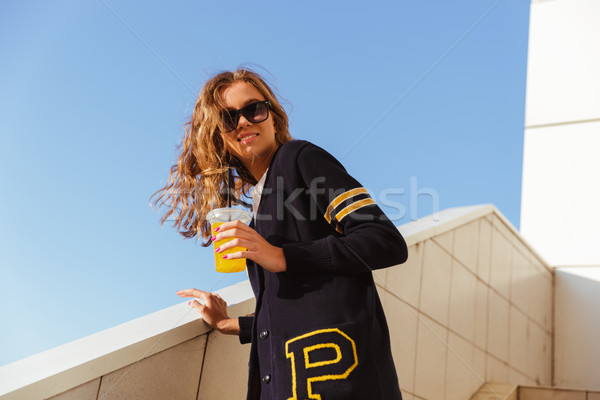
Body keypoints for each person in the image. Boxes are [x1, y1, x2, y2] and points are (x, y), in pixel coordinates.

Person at [153, 68, 408, 400]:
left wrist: (282, 256)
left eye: (253, 109)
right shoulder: (260, 206)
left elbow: (383, 240)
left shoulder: (300, 158)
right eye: (228, 118)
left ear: (273, 116)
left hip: (339, 382)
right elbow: (295, 304)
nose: (243, 122)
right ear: (219, 136)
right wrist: (230, 324)